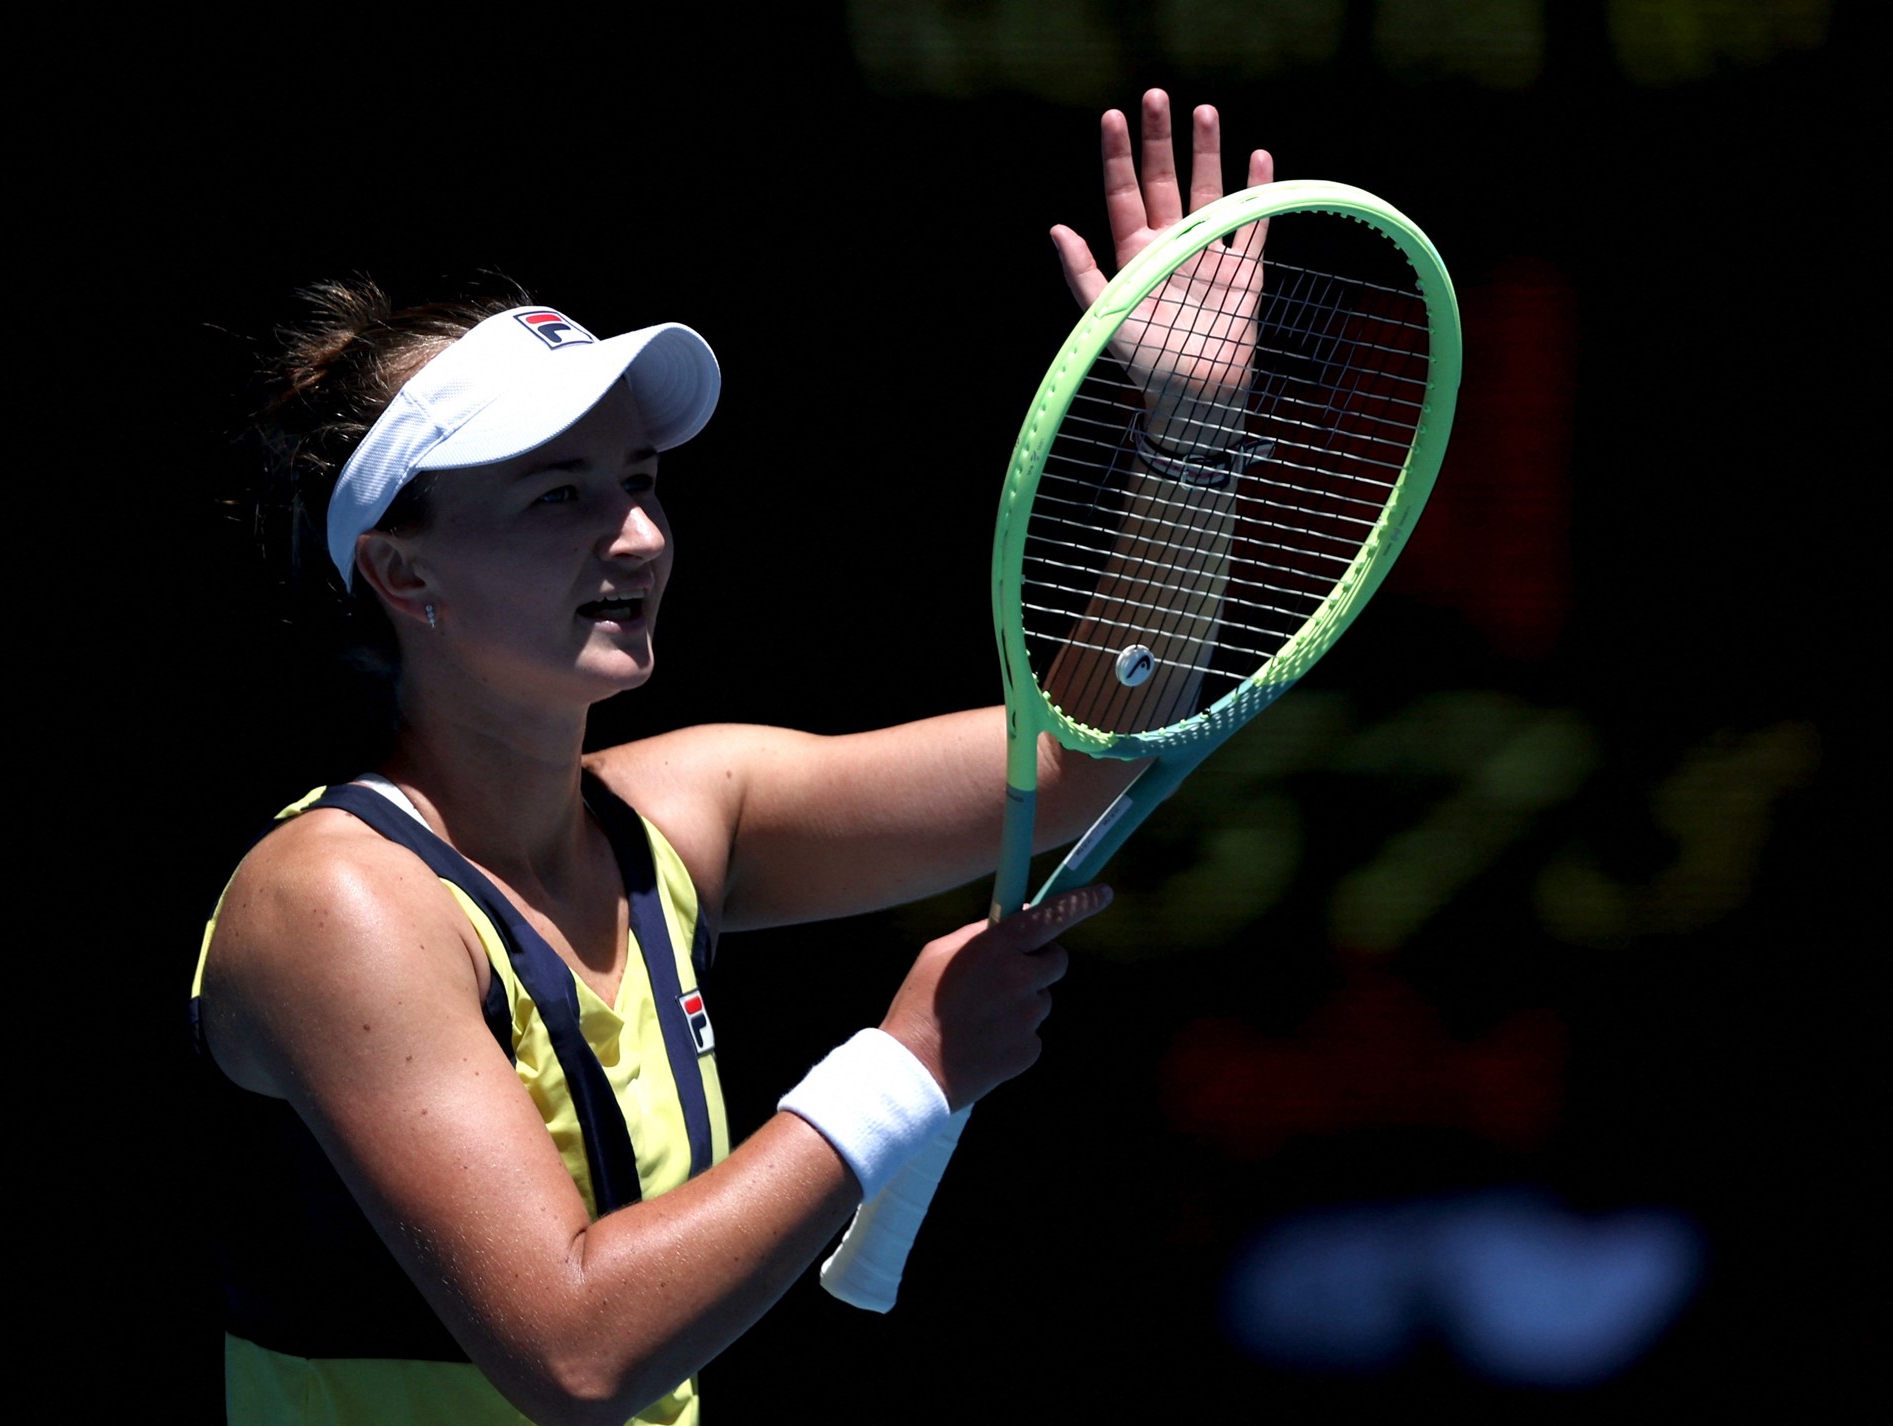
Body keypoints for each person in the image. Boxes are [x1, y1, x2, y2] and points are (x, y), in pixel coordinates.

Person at [191, 91, 1271, 1425]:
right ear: (403, 570)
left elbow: (1079, 759)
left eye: (641, 477)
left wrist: (1189, 441)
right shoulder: (337, 905)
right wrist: (907, 1067)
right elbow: (577, 1351)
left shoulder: (683, 812)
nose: (639, 534)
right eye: (560, 493)